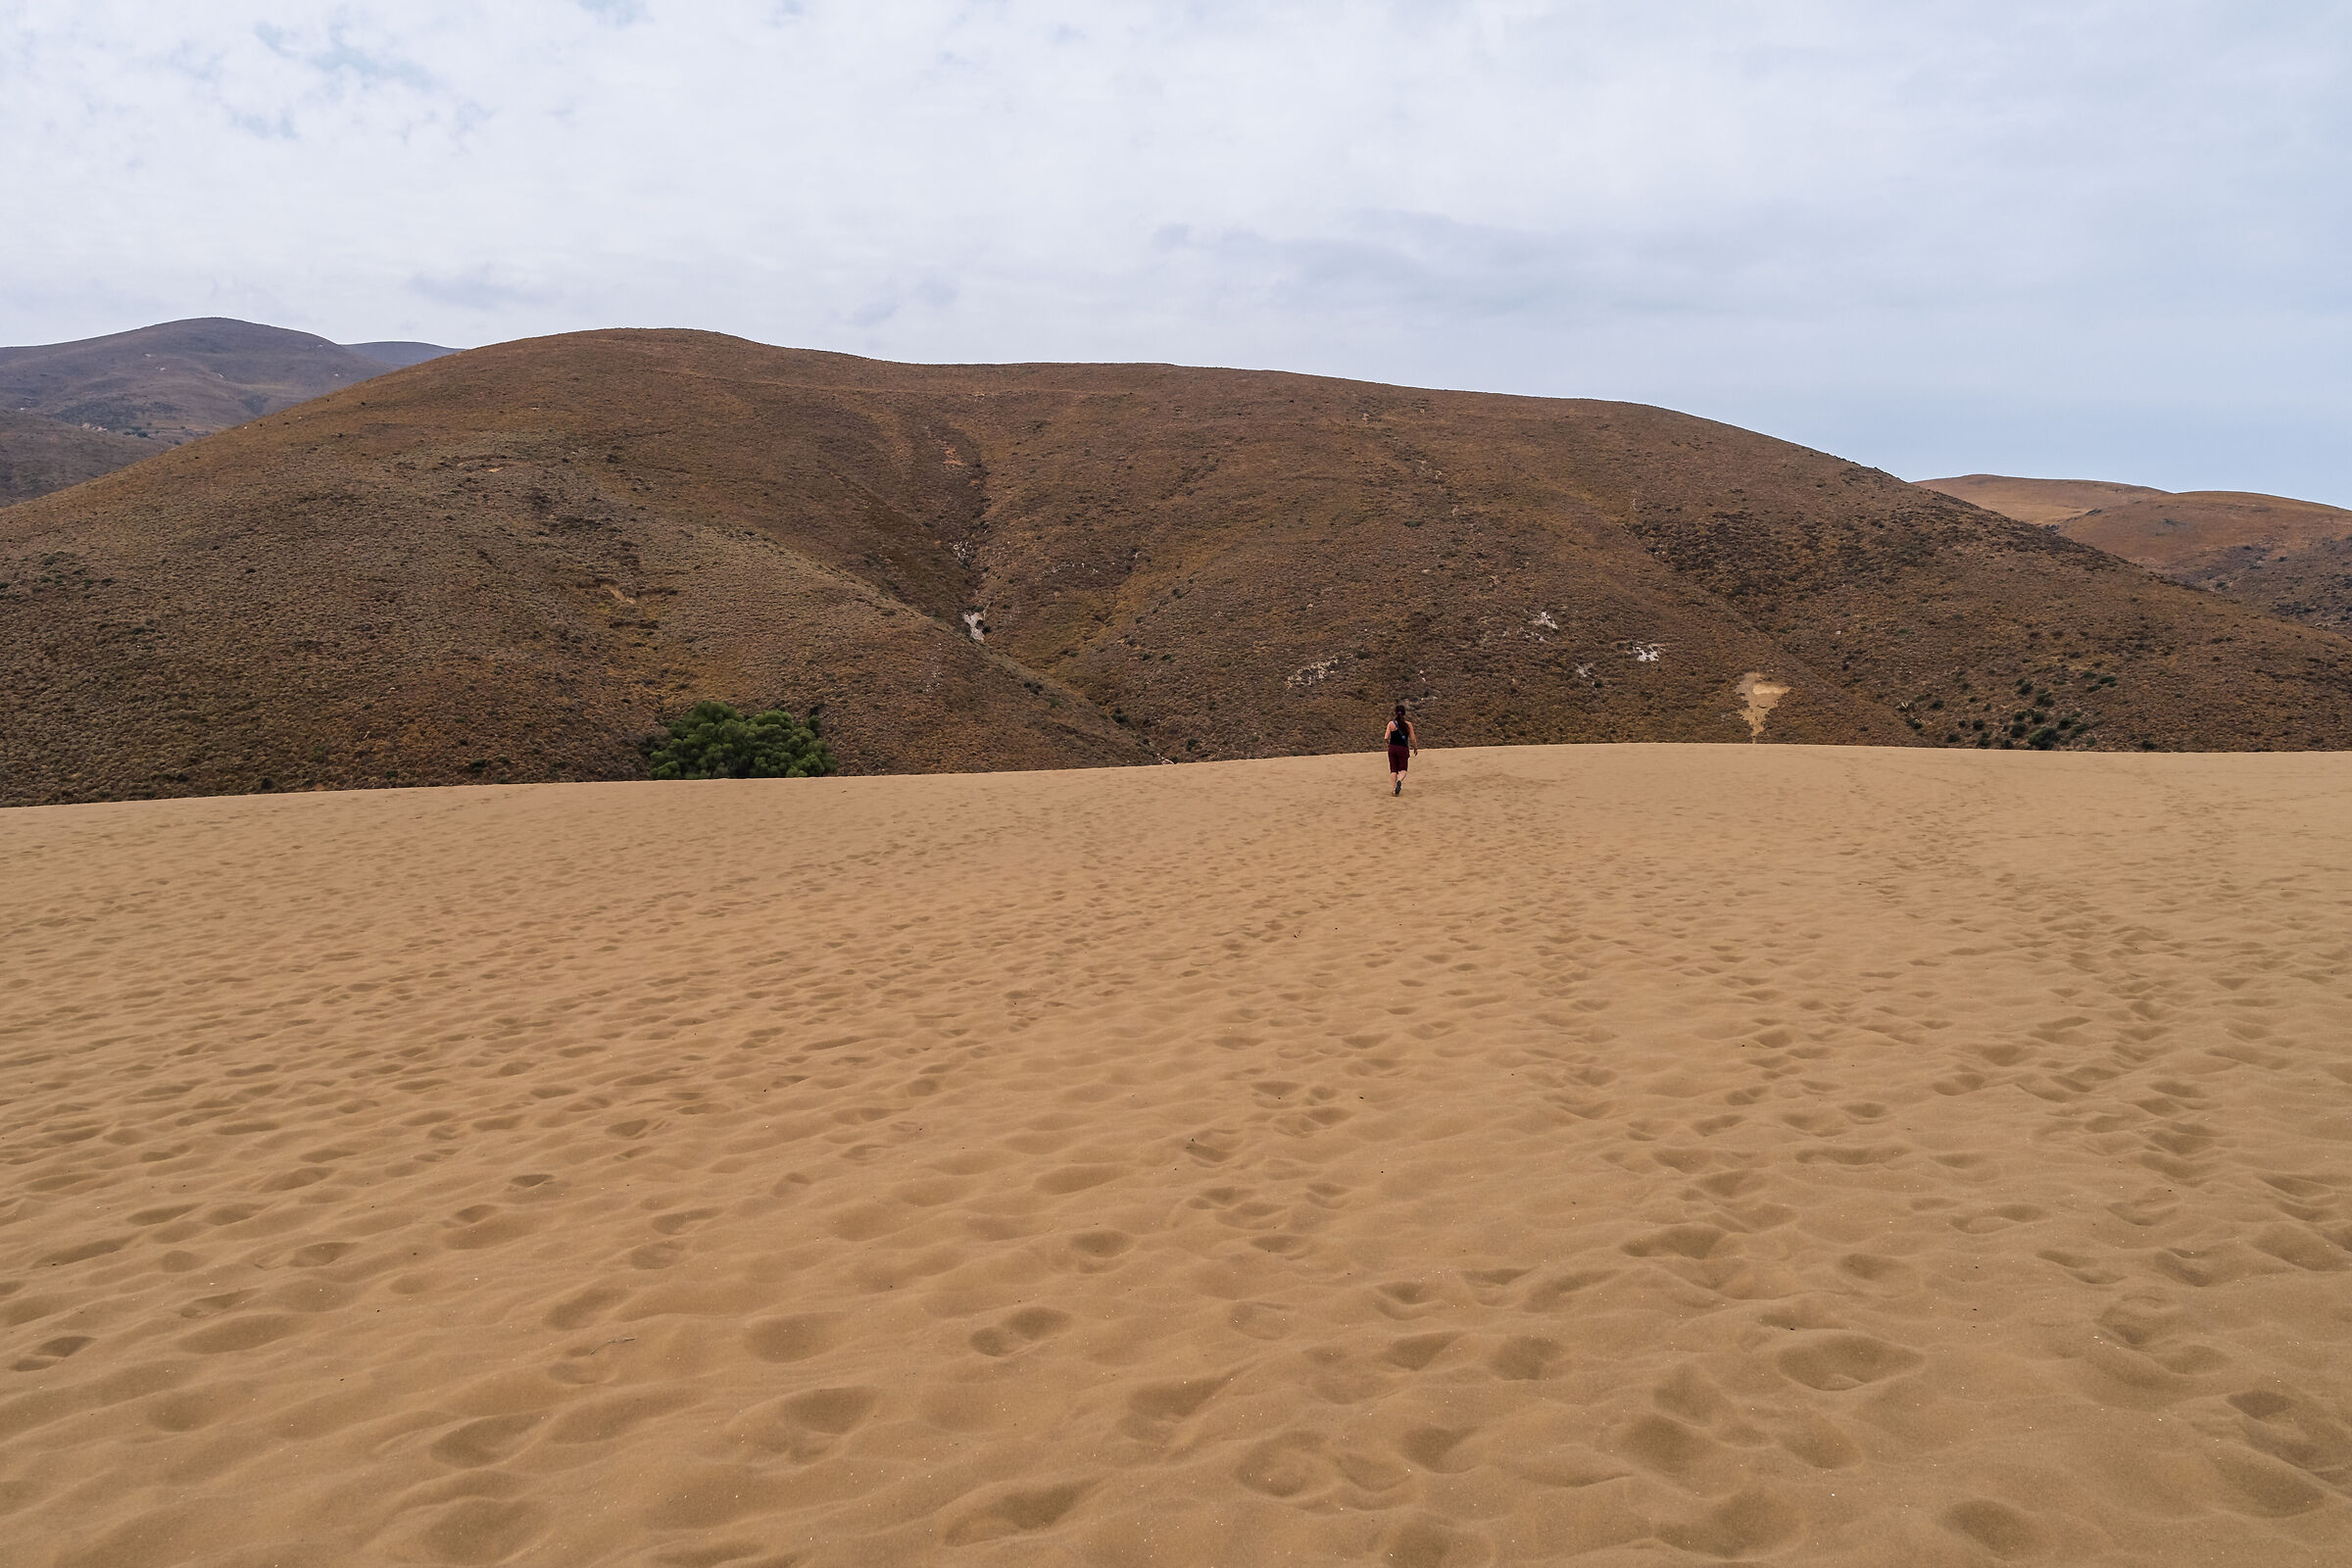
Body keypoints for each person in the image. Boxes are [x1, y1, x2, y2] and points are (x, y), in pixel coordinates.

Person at [1384, 704, 1419, 794]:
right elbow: (1413, 738)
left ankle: (1394, 789)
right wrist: (1415, 747)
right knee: (1403, 769)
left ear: (1395, 713)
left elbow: (1386, 737)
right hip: (1403, 749)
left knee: (1393, 770)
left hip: (1392, 748)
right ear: (1404, 713)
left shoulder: (1391, 724)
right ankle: (1399, 780)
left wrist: (1387, 742)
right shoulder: (1408, 725)